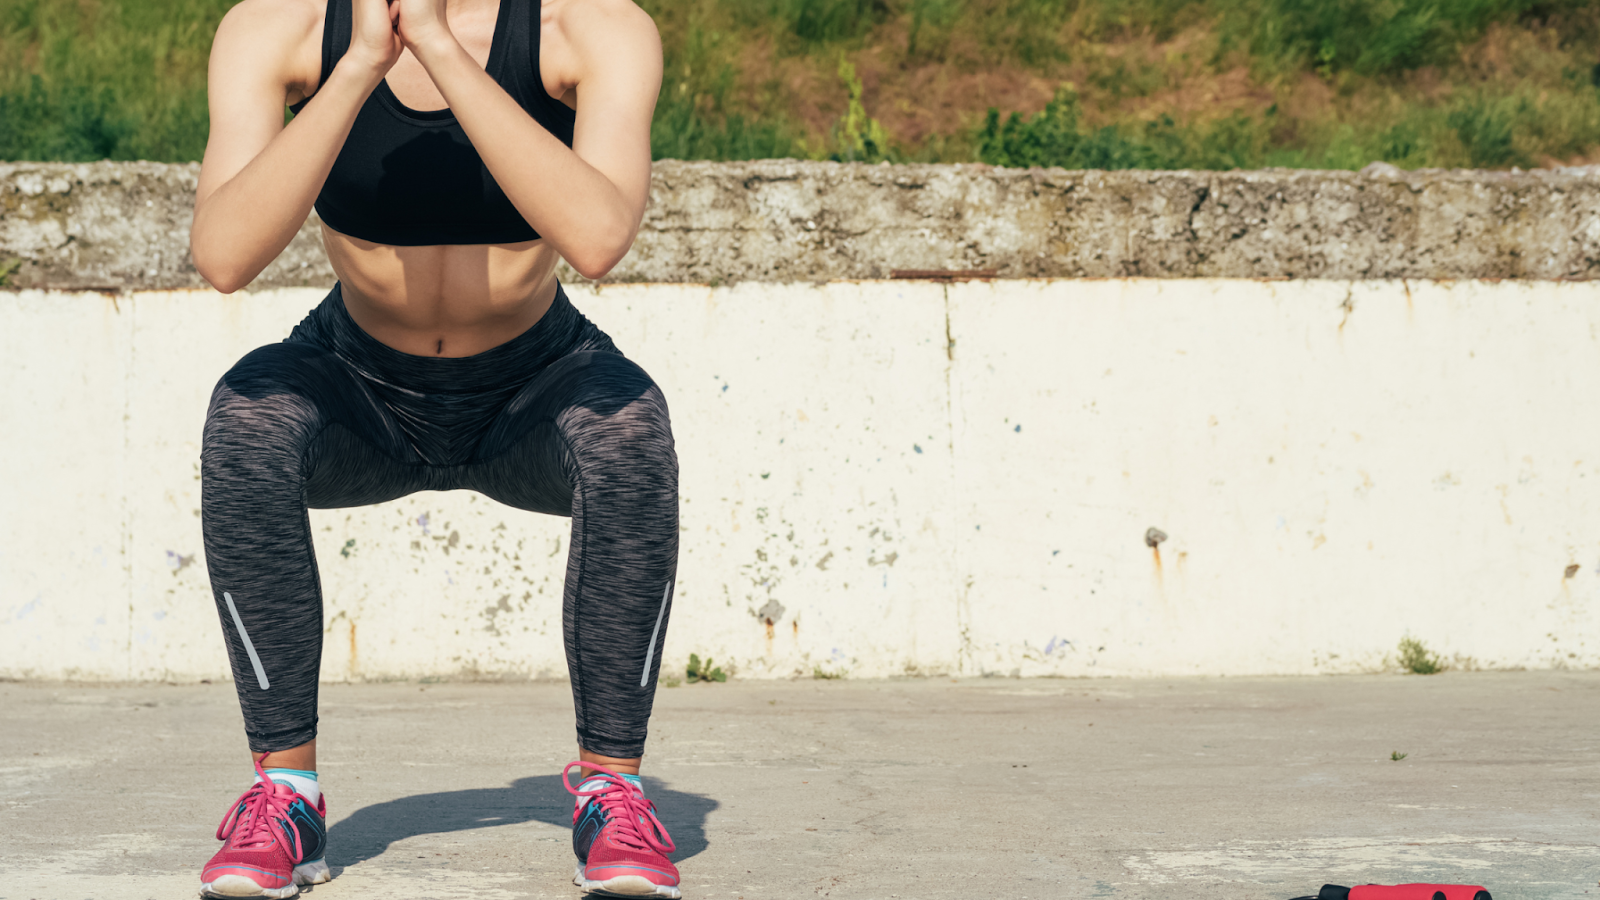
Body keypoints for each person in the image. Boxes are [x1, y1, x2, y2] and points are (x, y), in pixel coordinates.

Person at [189, 0, 679, 897]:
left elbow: (600, 238)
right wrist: (358, 68)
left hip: (530, 386)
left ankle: (611, 788)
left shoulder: (595, 29)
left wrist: (445, 54)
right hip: (362, 386)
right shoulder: (277, 29)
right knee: (247, 414)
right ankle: (285, 796)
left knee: (629, 425)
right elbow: (223, 253)